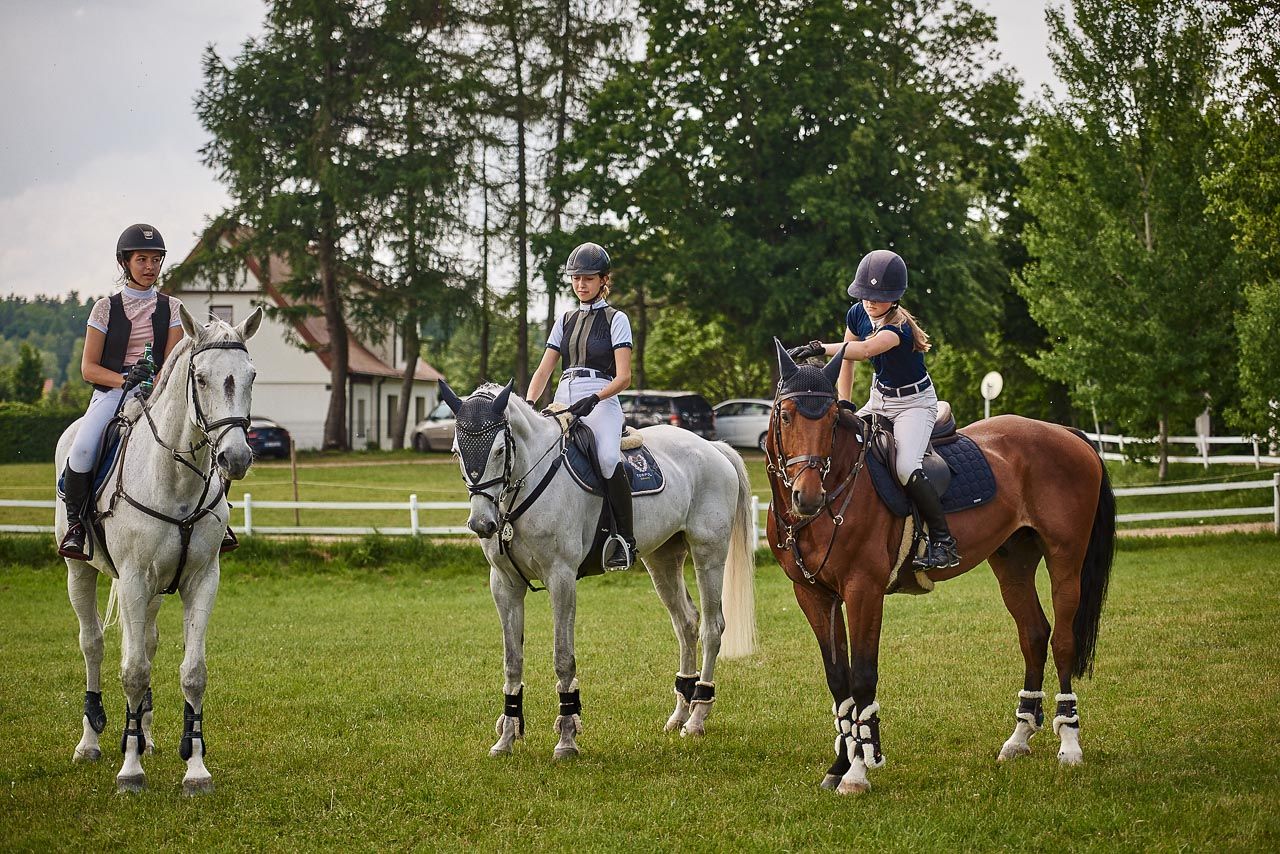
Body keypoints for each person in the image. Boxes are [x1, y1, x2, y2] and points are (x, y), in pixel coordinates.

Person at [58, 224, 238, 560]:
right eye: (142, 259)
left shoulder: (172, 308)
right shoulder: (104, 308)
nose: (150, 267)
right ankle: (77, 527)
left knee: (205, 437)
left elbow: (170, 363)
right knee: (81, 449)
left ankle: (218, 516)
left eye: (156, 260)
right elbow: (88, 369)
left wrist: (152, 382)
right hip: (112, 392)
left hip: (158, 392)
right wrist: (123, 380)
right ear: (124, 262)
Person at [789, 249, 960, 569]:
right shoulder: (857, 313)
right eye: (865, 294)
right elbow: (847, 360)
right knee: (841, 442)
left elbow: (864, 350)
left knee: (906, 467)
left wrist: (819, 347)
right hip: (880, 398)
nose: (870, 302)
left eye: (878, 297)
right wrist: (844, 402)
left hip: (913, 404)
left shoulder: (899, 328)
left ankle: (943, 541)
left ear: (895, 299)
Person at [526, 242, 636, 569]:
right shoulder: (565, 320)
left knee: (607, 458)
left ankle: (625, 540)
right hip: (564, 396)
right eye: (576, 278)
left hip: (601, 396)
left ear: (604, 280)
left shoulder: (617, 319)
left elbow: (625, 377)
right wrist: (530, 403)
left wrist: (596, 398)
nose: (581, 284)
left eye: (588, 278)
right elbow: (544, 370)